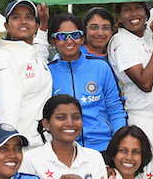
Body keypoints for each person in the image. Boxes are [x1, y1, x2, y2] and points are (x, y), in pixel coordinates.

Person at [47, 12, 127, 152]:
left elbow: (116, 110)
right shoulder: (47, 72)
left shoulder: (101, 66)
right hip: (64, 150)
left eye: (75, 35)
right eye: (62, 36)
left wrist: (119, 145)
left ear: (82, 38)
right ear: (52, 41)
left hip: (103, 147)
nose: (70, 40)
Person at [0, 0, 51, 150]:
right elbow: (6, 107)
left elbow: (40, 50)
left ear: (36, 26)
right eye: (16, 17)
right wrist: (8, 147)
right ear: (6, 26)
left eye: (29, 17)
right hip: (21, 147)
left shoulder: (32, 52)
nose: (23, 21)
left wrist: (45, 25)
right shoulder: (4, 57)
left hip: (42, 145)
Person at [108, 0, 153, 146]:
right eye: (126, 9)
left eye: (138, 8)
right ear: (118, 17)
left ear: (146, 13)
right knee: (145, 168)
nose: (133, 13)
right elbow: (145, 83)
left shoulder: (147, 30)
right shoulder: (121, 41)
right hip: (143, 119)